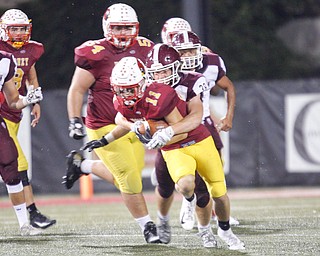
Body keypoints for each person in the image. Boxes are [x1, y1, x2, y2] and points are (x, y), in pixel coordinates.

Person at [82, 55, 245, 250]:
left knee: (218, 192)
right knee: (185, 185)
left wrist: (164, 134)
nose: (125, 94)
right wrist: (106, 139)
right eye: (121, 89)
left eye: (130, 89)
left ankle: (225, 230)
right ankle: (188, 202)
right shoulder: (121, 101)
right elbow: (122, 120)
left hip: (197, 139)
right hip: (173, 149)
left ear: (141, 83)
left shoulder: (160, 95)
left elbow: (183, 128)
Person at [65, 3, 160, 243]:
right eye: (117, 27)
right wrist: (75, 120)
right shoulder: (94, 53)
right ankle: (147, 227)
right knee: (129, 178)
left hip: (134, 121)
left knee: (131, 174)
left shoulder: (147, 48)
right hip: (104, 122)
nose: (123, 32)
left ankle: (84, 167)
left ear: (136, 28)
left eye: (127, 28)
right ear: (107, 27)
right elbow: (77, 89)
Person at [160, 17, 239, 228]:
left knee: (215, 169)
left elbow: (228, 86)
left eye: (190, 49)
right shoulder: (161, 65)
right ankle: (188, 202)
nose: (186, 54)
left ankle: (216, 210)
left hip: (202, 121)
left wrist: (228, 116)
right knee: (174, 179)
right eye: (180, 48)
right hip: (174, 124)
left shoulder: (210, 60)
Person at [0, 9, 56, 229]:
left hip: (15, 110)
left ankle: (30, 215)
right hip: (3, 111)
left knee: (14, 162)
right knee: (18, 162)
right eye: (14, 28)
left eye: (23, 28)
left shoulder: (32, 49)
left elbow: (30, 72)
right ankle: (32, 214)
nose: (19, 32)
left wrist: (35, 100)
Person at [0, 50, 43, 235]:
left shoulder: (4, 61)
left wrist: (28, 99)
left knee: (10, 164)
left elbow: (13, 101)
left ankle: (24, 224)